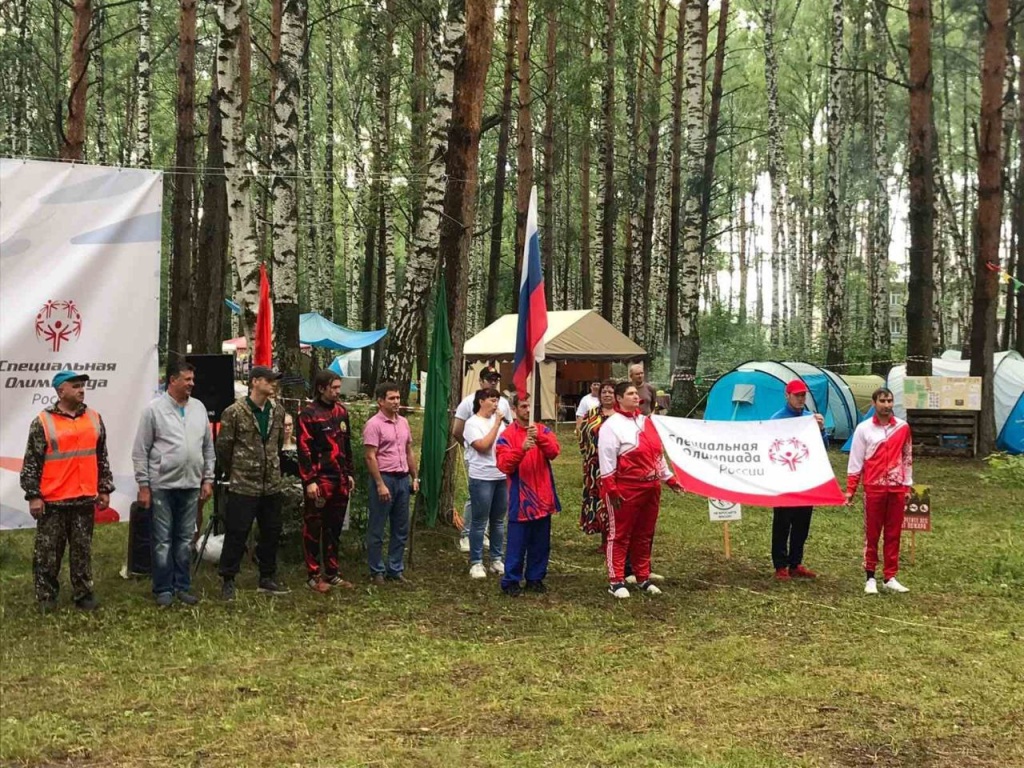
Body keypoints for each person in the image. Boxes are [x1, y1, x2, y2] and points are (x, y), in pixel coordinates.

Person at [20, 370, 114, 613]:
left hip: (84, 498)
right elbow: (32, 462)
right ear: (61, 391)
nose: (81, 389)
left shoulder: (94, 418)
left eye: (83, 385)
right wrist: (34, 495)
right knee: (48, 553)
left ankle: (83, 593)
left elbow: (101, 456)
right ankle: (46, 596)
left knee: (82, 550)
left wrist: (104, 488)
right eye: (75, 386)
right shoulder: (43, 421)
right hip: (53, 500)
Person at [132, 359, 215, 607]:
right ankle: (163, 589)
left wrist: (208, 478)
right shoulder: (153, 410)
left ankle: (182, 586)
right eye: (187, 379)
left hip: (191, 484)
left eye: (192, 379)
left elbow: (207, 447)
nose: (192, 384)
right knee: (162, 540)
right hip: (162, 486)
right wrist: (144, 486)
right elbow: (140, 451)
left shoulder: (199, 408)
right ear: (172, 381)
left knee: (185, 538)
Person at [598, 381, 683, 599]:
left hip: (650, 487)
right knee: (620, 535)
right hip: (626, 487)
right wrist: (612, 489)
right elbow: (606, 461)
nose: (636, 397)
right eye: (630, 393)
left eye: (637, 394)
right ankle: (616, 580)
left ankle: (643, 576)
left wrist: (669, 479)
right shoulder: (611, 426)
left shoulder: (646, 422)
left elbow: (657, 455)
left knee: (645, 534)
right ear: (619, 398)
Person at [215, 365, 290, 600]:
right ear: (255, 381)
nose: (273, 384)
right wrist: (237, 469)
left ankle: (266, 577)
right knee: (237, 531)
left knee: (271, 531)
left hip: (271, 483)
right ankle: (228, 578)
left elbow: (277, 444)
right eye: (269, 380)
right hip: (244, 483)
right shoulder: (234, 412)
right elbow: (224, 447)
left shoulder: (277, 411)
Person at [845, 387, 914, 595]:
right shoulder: (863, 429)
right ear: (874, 403)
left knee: (893, 534)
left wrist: (907, 484)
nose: (887, 405)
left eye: (890, 401)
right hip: (873, 488)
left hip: (896, 488)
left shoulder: (902, 427)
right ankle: (870, 576)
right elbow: (855, 461)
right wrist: (851, 489)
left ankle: (890, 576)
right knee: (872, 534)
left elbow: (907, 457)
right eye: (882, 401)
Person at [297, 370, 356, 593]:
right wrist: (309, 480)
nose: (338, 392)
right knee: (313, 527)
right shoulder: (308, 415)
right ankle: (313, 575)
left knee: (334, 528)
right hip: (319, 481)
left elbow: (347, 446)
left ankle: (332, 573)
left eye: (339, 388)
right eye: (334, 388)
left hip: (340, 480)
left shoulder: (342, 412)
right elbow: (304, 450)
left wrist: (349, 473)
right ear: (321, 388)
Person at [496, 393, 561, 596]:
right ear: (514, 409)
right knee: (517, 542)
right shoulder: (506, 436)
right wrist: (521, 449)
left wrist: (539, 438)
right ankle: (512, 580)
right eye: (523, 406)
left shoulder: (542, 430)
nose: (527, 410)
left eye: (530, 406)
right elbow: (504, 464)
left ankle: (535, 578)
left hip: (542, 495)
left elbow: (554, 451)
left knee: (541, 543)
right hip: (520, 497)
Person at [769, 379, 826, 581]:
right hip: (784, 480)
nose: (801, 399)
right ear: (788, 396)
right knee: (783, 523)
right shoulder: (777, 420)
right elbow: (768, 447)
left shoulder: (810, 418)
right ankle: (780, 565)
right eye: (797, 395)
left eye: (803, 395)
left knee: (802, 522)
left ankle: (796, 562)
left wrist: (821, 430)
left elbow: (822, 448)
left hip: (805, 478)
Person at [364, 381, 419, 585]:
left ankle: (395, 568)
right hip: (384, 477)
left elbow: (409, 451)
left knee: (400, 526)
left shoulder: (403, 422)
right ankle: (376, 569)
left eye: (397, 398)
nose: (396, 402)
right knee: (378, 526)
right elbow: (370, 456)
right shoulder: (374, 425)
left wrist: (415, 477)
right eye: (392, 398)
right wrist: (379, 484)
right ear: (380, 401)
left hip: (402, 478)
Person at [453, 366, 512, 552]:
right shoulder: (468, 402)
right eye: (488, 378)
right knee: (476, 498)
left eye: (495, 378)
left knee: (496, 502)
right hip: (477, 459)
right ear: (480, 381)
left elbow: (509, 428)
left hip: (499, 462)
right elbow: (457, 430)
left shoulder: (503, 403)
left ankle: (485, 534)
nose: (492, 381)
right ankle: (467, 534)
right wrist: (470, 446)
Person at [463, 388, 508, 579]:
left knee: (498, 521)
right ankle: (476, 562)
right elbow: (482, 446)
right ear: (481, 401)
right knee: (480, 521)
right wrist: (496, 425)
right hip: (482, 477)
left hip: (501, 476)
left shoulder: (501, 424)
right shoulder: (472, 424)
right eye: (492, 400)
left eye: (497, 400)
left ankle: (496, 559)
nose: (496, 404)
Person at [579, 380, 617, 547]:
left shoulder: (621, 415)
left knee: (613, 501)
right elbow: (582, 436)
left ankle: (614, 538)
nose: (607, 395)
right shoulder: (591, 413)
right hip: (595, 466)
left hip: (617, 466)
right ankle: (603, 537)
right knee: (598, 500)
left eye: (610, 392)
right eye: (604, 392)